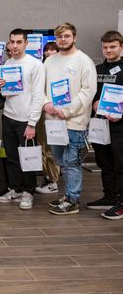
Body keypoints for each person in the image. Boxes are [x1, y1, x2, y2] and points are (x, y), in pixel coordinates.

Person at [43, 23, 96, 215]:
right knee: (60, 160)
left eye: (66, 36)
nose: (63, 39)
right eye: (59, 37)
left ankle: (73, 200)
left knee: (72, 162)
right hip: (53, 121)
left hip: (74, 121)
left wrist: (67, 111)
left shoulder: (84, 61)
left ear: (74, 37)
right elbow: (40, 87)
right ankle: (67, 196)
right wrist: (46, 104)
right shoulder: (49, 62)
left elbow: (88, 91)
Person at [0, 29, 44, 210]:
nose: (14, 46)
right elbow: (7, 94)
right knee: (12, 157)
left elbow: (38, 95)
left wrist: (32, 123)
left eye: (18, 42)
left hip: (26, 120)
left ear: (26, 43)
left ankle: (28, 192)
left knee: (28, 159)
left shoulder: (35, 64)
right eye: (12, 42)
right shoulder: (8, 63)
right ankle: (15, 189)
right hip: (9, 116)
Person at [88, 31, 123, 218]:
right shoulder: (98, 69)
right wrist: (94, 102)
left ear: (121, 47)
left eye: (112, 47)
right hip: (100, 123)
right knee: (104, 161)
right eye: (105, 47)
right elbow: (92, 92)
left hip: (119, 125)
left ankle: (121, 202)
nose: (108, 50)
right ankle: (109, 196)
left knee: (120, 163)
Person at [35, 41, 61, 194]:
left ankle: (53, 181)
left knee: (52, 148)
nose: (49, 53)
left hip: (55, 112)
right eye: (47, 50)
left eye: (53, 50)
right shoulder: (41, 67)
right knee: (42, 146)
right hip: (40, 112)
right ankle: (46, 177)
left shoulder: (61, 68)